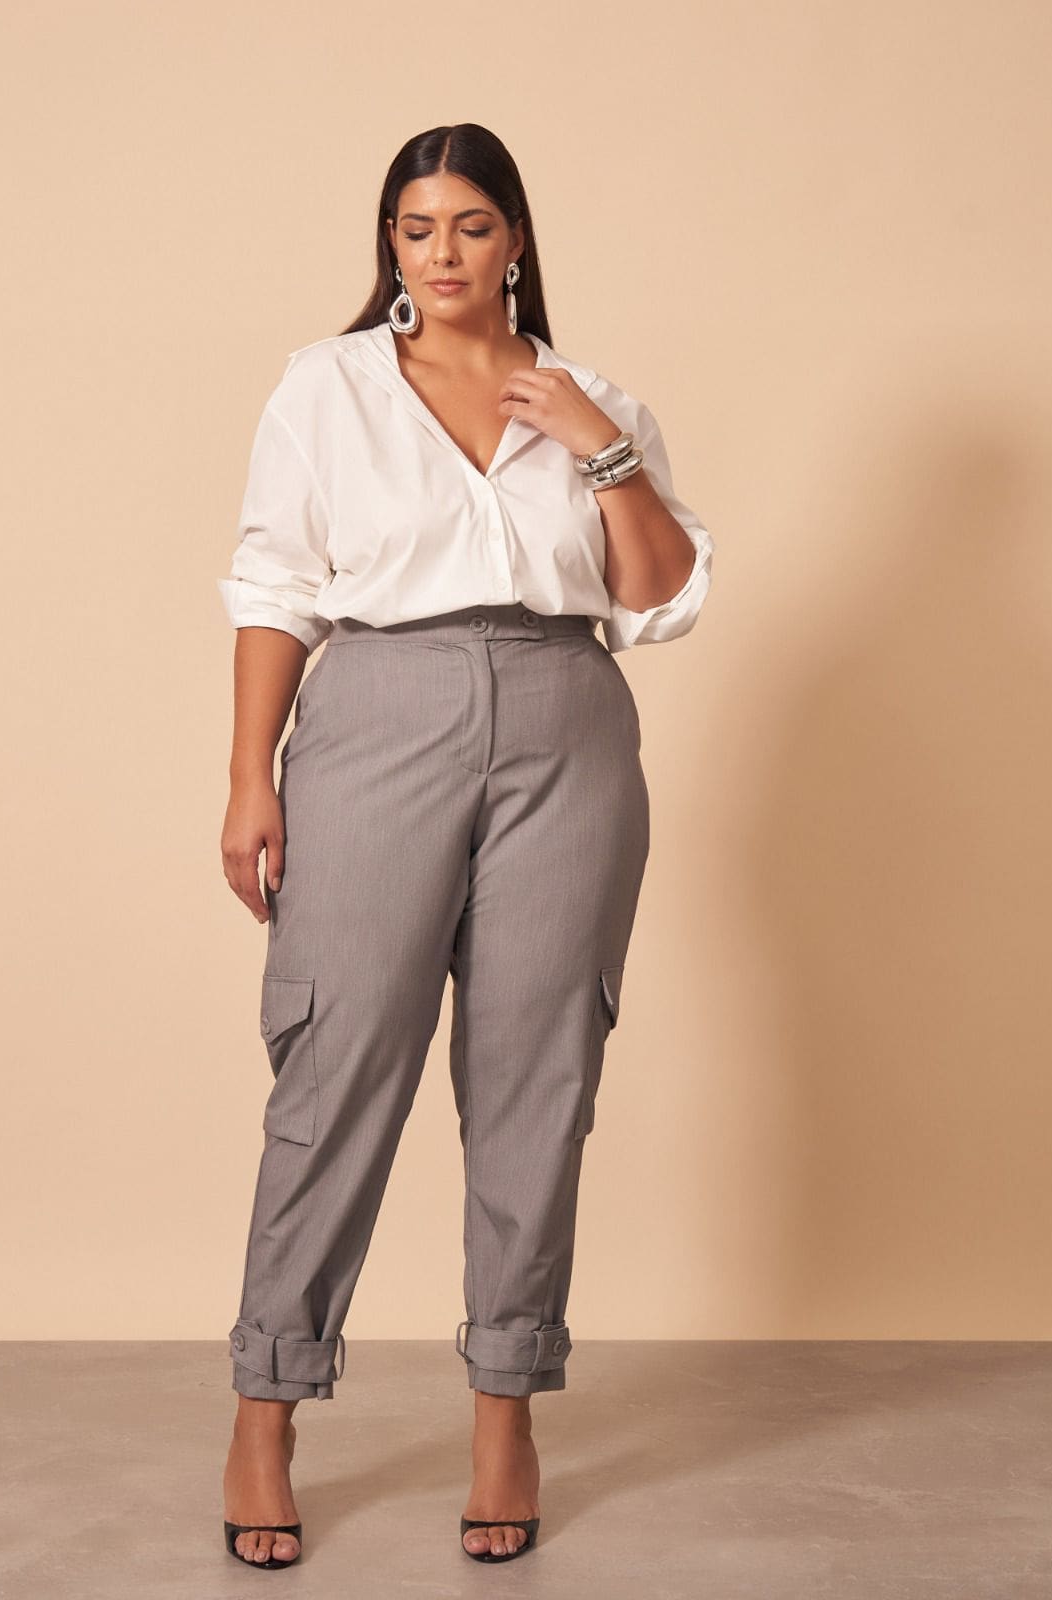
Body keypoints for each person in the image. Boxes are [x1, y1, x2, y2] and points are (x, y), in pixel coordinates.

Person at [216, 122, 715, 1570]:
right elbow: (275, 582)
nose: (443, 253)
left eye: (471, 226)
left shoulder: (594, 396)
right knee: (338, 1062)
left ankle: (507, 1412)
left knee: (539, 1077)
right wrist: (249, 776)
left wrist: (598, 446)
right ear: (390, 244)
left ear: (515, 240)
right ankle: (265, 1411)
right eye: (417, 227)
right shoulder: (327, 388)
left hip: (567, 718)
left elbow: (659, 594)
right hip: (379, 706)